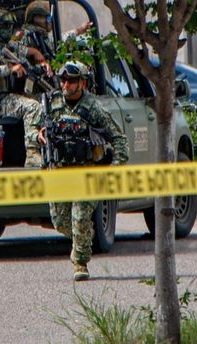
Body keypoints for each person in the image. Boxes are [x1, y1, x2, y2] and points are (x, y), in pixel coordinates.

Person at [38, 60, 129, 282]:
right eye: (64, 80)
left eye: (72, 80)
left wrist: (114, 170)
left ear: (83, 83)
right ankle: (84, 235)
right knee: (60, 221)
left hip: (86, 173)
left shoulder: (94, 108)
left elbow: (119, 140)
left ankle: (80, 262)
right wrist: (38, 136)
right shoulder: (52, 104)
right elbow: (35, 130)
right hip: (59, 173)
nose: (66, 84)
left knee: (79, 217)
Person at [0, 9, 44, 167]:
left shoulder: (4, 46)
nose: (8, 30)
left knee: (44, 102)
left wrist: (40, 61)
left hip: (6, 97)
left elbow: (24, 51)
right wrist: (9, 70)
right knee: (33, 107)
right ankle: (32, 153)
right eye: (4, 26)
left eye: (10, 26)